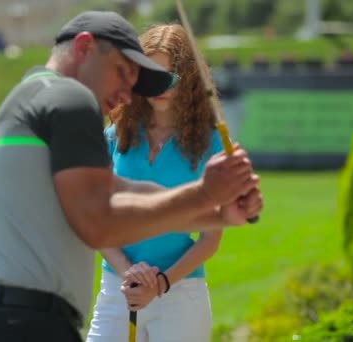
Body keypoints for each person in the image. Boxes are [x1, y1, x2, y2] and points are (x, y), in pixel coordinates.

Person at [0, 11, 263, 342]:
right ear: (84, 48)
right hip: (15, 321)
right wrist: (206, 197)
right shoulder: (69, 99)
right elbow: (99, 220)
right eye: (122, 74)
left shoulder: (32, 96)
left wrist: (218, 212)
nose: (125, 94)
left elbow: (120, 189)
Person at [86, 24, 256, 342]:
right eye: (152, 75)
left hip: (181, 293)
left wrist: (160, 284)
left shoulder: (212, 143)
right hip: (119, 288)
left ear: (190, 80)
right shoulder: (116, 133)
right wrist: (128, 272)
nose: (161, 87)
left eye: (171, 77)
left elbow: (210, 239)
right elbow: (96, 218)